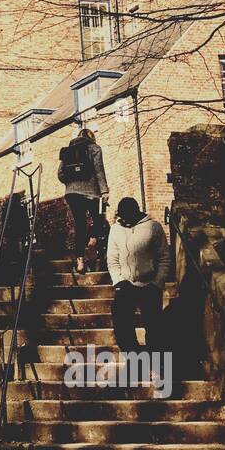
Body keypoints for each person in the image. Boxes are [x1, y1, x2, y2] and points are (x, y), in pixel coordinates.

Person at [106, 196, 172, 355]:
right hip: (125, 285)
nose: (125, 220)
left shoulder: (153, 227)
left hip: (149, 284)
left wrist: (158, 283)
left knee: (154, 327)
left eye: (128, 216)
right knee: (121, 324)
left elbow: (164, 257)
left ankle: (157, 364)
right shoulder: (115, 230)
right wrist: (119, 282)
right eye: (122, 216)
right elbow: (112, 259)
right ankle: (133, 358)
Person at [58, 125, 108, 273]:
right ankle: (92, 240)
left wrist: (71, 183)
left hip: (72, 193)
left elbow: (60, 174)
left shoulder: (68, 151)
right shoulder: (94, 148)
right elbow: (99, 170)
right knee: (99, 219)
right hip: (91, 192)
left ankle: (80, 260)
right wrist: (104, 190)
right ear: (92, 137)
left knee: (80, 224)